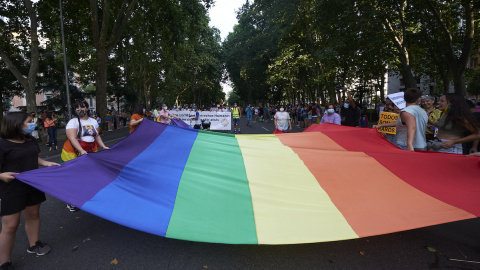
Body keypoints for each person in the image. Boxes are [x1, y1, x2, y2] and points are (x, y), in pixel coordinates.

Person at [0, 112, 60, 269]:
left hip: (33, 184)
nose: (33, 124)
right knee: (10, 225)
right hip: (12, 188)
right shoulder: (2, 144)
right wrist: (1, 175)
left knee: (33, 215)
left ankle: (34, 244)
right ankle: (4, 262)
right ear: (16, 124)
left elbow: (33, 157)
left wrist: (45, 163)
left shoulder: (30, 140)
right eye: (29, 122)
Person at [62, 100, 109, 211]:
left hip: (90, 150)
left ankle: (87, 197)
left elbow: (96, 136)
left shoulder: (93, 121)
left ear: (87, 108)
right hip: (73, 152)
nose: (79, 109)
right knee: (75, 176)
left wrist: (103, 146)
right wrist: (81, 150)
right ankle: (71, 201)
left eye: (82, 107)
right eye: (77, 107)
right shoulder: (73, 122)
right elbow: (72, 138)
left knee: (90, 174)